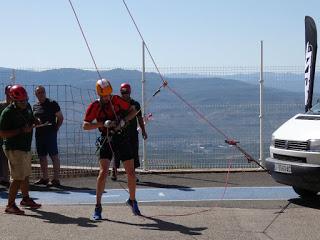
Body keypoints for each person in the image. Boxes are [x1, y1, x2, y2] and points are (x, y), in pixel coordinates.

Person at [83, 78, 141, 220]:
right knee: (103, 172)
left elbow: (134, 110)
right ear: (99, 94)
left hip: (122, 137)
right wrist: (103, 123)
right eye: (104, 95)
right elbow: (85, 125)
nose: (107, 97)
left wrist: (124, 120)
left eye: (109, 94)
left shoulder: (116, 100)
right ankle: (98, 206)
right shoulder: (94, 106)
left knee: (131, 172)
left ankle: (132, 200)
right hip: (106, 139)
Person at [0, 84, 41, 214]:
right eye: (21, 101)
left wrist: (36, 121)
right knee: (17, 177)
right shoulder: (7, 113)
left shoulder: (27, 107)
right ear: (13, 100)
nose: (24, 103)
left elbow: (31, 118)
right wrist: (21, 130)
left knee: (25, 175)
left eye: (26, 100)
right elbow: (2, 134)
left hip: (25, 147)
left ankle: (25, 199)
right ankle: (10, 205)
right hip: (13, 148)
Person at [111, 83, 148, 182]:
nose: (124, 94)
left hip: (132, 133)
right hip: (119, 133)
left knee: (133, 154)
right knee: (117, 153)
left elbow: (140, 118)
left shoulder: (135, 104)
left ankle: (132, 175)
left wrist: (143, 131)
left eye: (126, 92)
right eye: (122, 92)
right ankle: (114, 171)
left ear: (130, 92)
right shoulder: (117, 104)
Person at [33, 85, 64, 187]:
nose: (41, 94)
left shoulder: (52, 103)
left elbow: (60, 117)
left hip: (50, 134)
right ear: (36, 95)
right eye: (39, 92)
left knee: (54, 156)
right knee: (42, 157)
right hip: (39, 134)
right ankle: (45, 178)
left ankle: (56, 179)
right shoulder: (35, 106)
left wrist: (56, 128)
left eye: (43, 92)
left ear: (45, 93)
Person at [0, 85, 12, 188]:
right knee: (2, 157)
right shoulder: (1, 105)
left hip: (13, 136)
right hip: (2, 135)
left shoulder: (18, 106)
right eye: (8, 92)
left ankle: (10, 178)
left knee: (12, 158)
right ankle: (3, 178)